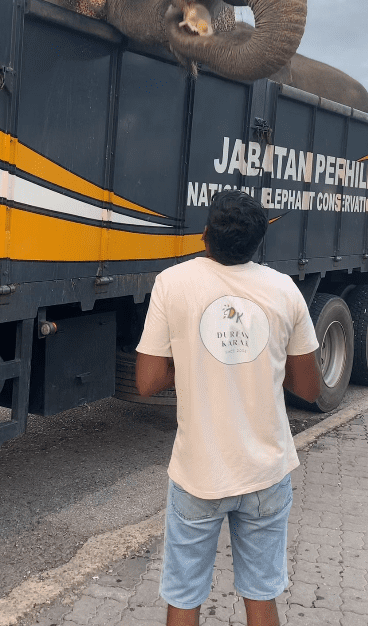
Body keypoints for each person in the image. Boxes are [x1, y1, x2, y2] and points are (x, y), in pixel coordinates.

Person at [135, 189, 322, 626]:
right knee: (261, 595)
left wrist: (193, 363)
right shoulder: (284, 290)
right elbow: (310, 389)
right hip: (265, 474)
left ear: (205, 236)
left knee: (183, 597)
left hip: (198, 473)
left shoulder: (173, 282)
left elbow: (146, 382)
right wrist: (264, 367)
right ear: (258, 242)